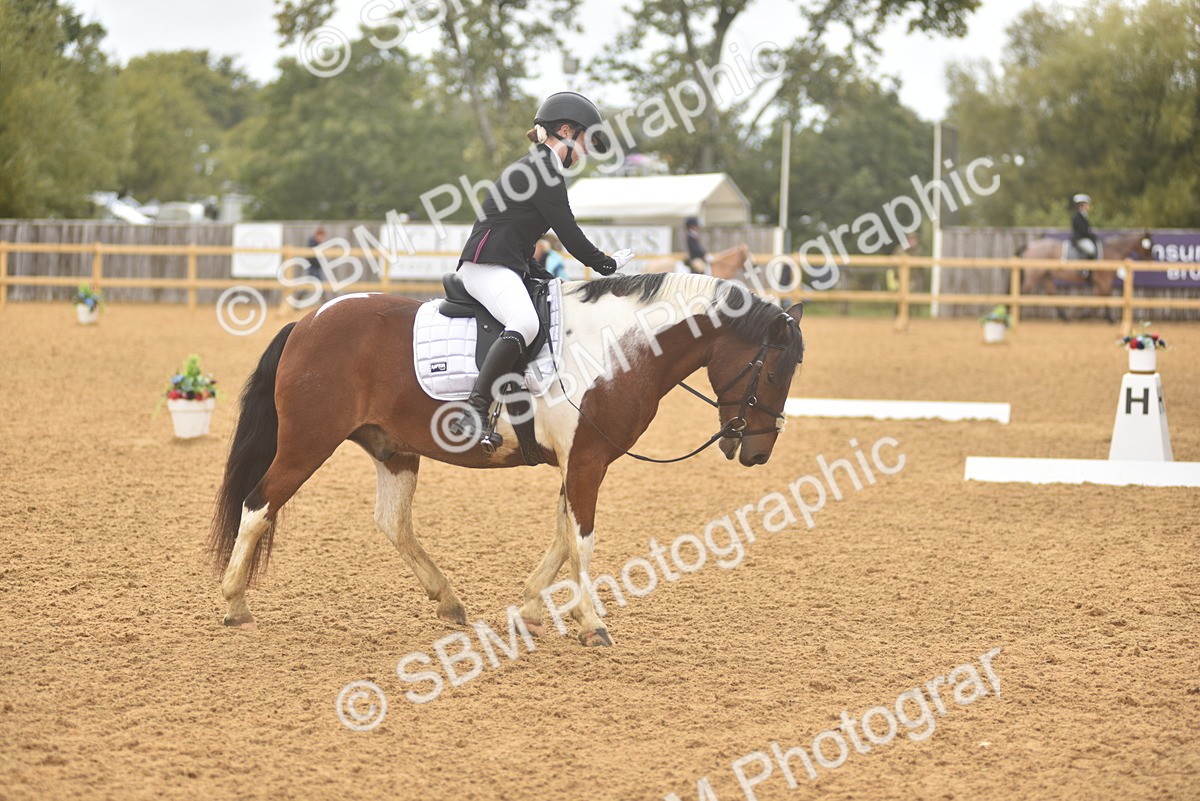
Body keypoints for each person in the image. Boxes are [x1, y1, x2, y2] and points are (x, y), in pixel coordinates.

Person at [448, 91, 634, 451]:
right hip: (487, 264)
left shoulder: (538, 167)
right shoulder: (542, 170)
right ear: (565, 131)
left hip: (507, 262)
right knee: (525, 322)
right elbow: (568, 233)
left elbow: (525, 234)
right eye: (583, 142)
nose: (585, 152)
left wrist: (547, 277)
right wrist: (607, 265)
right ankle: (472, 410)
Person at [1070, 194, 1099, 260]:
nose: (1088, 206)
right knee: (1091, 250)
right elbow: (1083, 230)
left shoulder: (1084, 215)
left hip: (1085, 238)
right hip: (1080, 239)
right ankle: (1087, 269)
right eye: (1087, 204)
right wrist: (1091, 233)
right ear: (1082, 205)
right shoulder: (1077, 216)